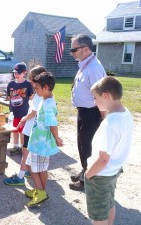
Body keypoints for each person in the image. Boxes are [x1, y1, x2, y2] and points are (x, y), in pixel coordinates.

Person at [85, 76, 134, 225]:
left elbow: (103, 158)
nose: (94, 102)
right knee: (109, 203)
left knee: (99, 216)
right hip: (114, 171)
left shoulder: (110, 123)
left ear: (105, 96)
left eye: (95, 98)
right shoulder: (126, 114)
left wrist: (88, 174)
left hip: (100, 175)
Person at [70, 33, 106, 191]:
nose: (71, 52)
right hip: (84, 112)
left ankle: (88, 180)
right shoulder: (85, 64)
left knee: (88, 147)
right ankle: (85, 171)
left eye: (74, 49)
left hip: (91, 113)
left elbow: (102, 95)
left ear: (85, 49)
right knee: (82, 145)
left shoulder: (94, 68)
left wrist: (103, 118)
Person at [25, 71, 63, 207]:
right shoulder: (45, 100)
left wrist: (57, 138)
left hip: (42, 144)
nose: (35, 91)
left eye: (37, 88)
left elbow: (52, 124)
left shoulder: (47, 104)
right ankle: (39, 189)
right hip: (37, 143)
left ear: (46, 87)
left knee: (37, 169)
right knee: (32, 166)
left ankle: (41, 192)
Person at [4, 65, 46, 186]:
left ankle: (20, 177)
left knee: (25, 153)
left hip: (31, 128)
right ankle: (29, 170)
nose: (30, 81)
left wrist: (23, 119)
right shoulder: (40, 93)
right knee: (29, 152)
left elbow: (34, 112)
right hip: (32, 128)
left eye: (32, 79)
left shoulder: (39, 95)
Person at [6, 62, 34, 156]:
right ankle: (15, 146)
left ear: (24, 73)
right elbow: (9, 97)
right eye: (14, 73)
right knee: (14, 129)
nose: (16, 75)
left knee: (22, 130)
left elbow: (31, 97)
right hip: (14, 112)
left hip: (24, 112)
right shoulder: (11, 84)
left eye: (18, 73)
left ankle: (22, 147)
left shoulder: (28, 84)